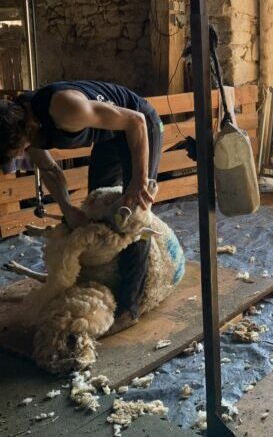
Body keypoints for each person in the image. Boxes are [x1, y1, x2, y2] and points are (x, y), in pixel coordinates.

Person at [0, 80, 163, 334]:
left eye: (20, 147)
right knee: (97, 203)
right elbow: (51, 171)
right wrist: (68, 209)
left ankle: (128, 307)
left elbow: (136, 121)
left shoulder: (66, 108)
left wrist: (138, 181)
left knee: (134, 214)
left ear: (27, 128)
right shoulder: (25, 124)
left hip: (139, 125)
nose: (23, 152)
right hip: (110, 135)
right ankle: (106, 278)